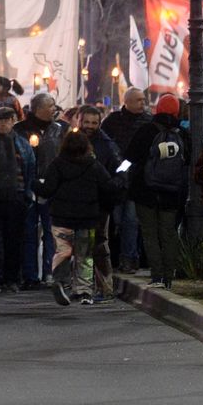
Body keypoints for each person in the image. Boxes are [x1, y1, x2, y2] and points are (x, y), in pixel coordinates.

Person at [35, 131, 122, 306]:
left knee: (63, 251)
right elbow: (109, 187)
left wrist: (34, 183)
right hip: (87, 218)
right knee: (85, 255)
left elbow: (47, 190)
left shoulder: (57, 164)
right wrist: (121, 176)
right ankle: (84, 291)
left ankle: (59, 280)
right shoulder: (94, 165)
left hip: (62, 218)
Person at [125, 93, 187, 289]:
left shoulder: (146, 131)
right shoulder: (183, 135)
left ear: (157, 109)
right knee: (169, 233)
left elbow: (130, 157)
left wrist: (121, 176)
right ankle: (170, 275)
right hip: (171, 193)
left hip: (146, 191)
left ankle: (157, 275)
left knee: (150, 233)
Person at [0, 107, 36, 293]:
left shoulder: (23, 144)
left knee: (14, 240)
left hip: (16, 197)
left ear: (13, 120)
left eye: (6, 120)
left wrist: (27, 194)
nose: (3, 123)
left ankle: (11, 278)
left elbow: (30, 170)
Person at [16, 93, 67, 290]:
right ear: (38, 109)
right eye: (50, 105)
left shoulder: (60, 129)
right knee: (28, 233)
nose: (55, 108)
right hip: (27, 188)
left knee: (51, 232)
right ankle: (29, 275)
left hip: (52, 189)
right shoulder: (20, 130)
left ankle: (49, 272)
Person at [102, 87, 150, 273]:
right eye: (139, 100)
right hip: (116, 178)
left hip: (136, 180)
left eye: (143, 100)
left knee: (130, 220)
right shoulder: (113, 121)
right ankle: (117, 257)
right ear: (127, 101)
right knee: (117, 220)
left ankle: (129, 257)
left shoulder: (147, 121)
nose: (143, 104)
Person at [76, 105, 121, 302]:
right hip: (78, 201)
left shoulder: (106, 145)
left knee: (98, 244)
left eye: (94, 123)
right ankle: (84, 286)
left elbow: (123, 166)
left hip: (99, 202)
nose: (90, 126)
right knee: (81, 245)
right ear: (80, 121)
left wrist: (114, 184)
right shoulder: (73, 141)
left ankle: (105, 287)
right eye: (87, 122)